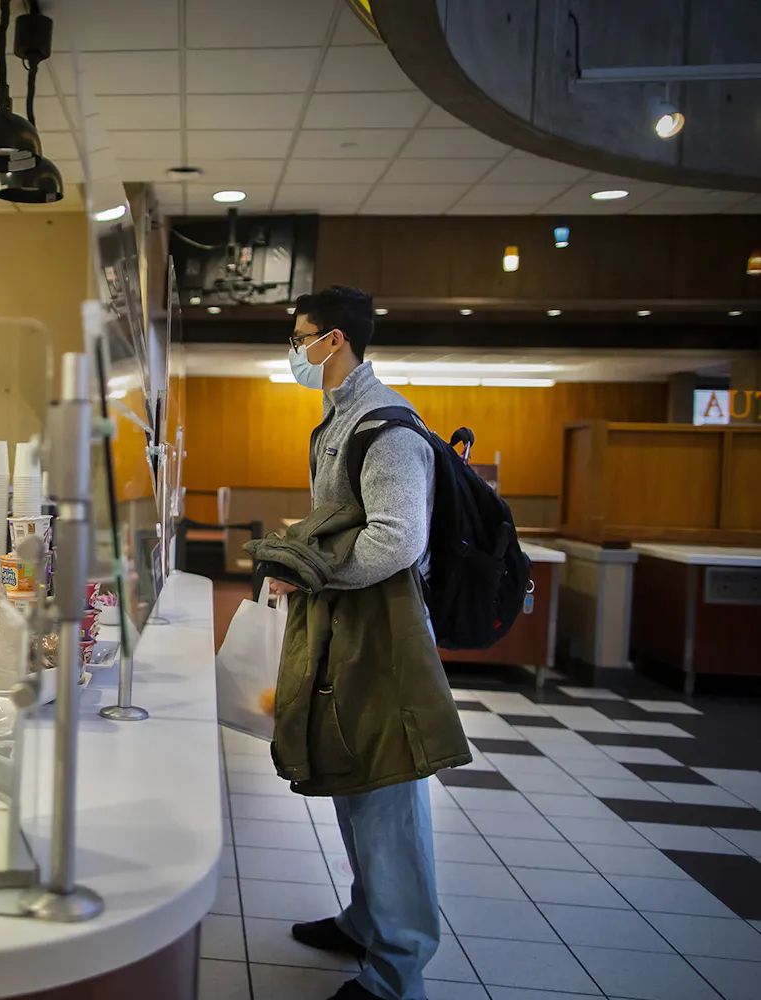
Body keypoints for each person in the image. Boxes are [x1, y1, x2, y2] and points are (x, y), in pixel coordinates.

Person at [269, 286, 465, 1000]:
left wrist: (311, 568)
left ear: (336, 339)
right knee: (354, 772)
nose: (294, 351)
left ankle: (395, 973)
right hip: (349, 621)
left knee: (387, 787)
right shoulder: (338, 420)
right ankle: (365, 921)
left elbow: (397, 538)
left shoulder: (387, 429)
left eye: (300, 337)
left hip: (384, 633)